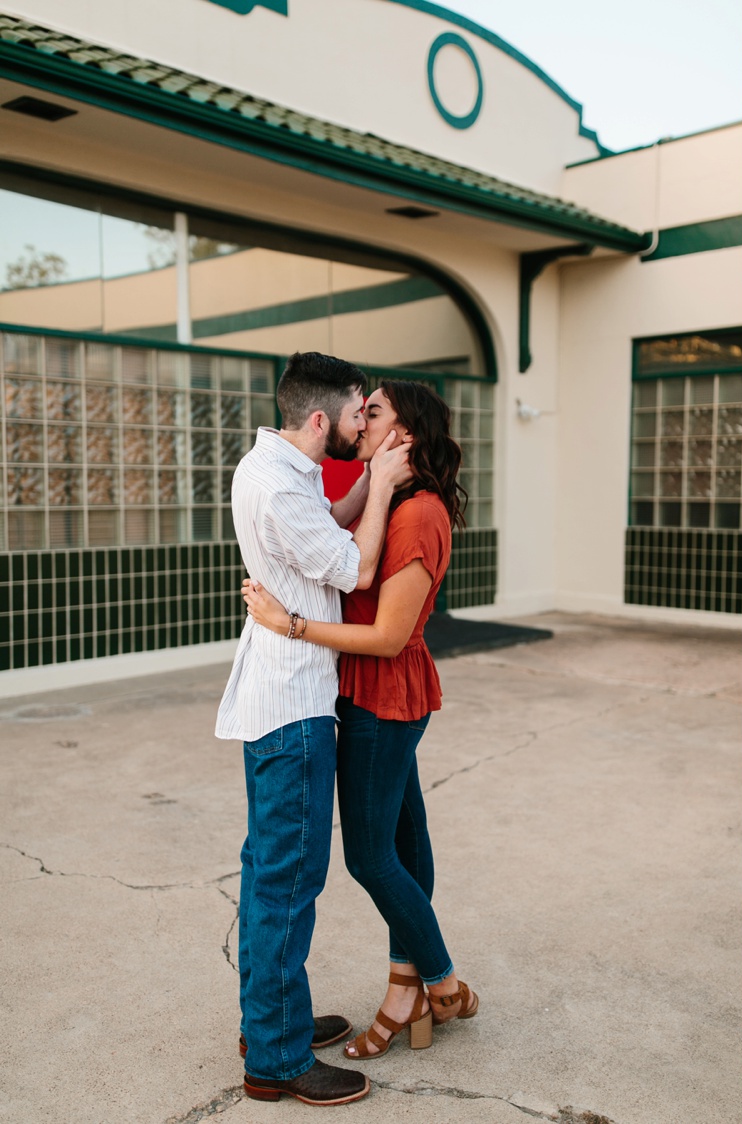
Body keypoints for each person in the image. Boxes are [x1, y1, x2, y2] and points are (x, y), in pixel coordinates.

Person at [243, 380, 479, 1062]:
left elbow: (385, 636)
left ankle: (441, 981)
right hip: (370, 696)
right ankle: (406, 988)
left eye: (375, 413)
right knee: (406, 838)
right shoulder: (395, 503)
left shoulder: (417, 515)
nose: (361, 421)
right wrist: (373, 486)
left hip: (383, 700)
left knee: (371, 856)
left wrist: (288, 623)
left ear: (405, 436)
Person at [215, 351, 411, 1107]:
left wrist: (366, 482)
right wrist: (389, 488)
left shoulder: (273, 469)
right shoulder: (277, 488)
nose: (366, 423)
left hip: (279, 698)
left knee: (272, 871)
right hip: (294, 708)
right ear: (322, 419)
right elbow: (357, 570)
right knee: (288, 883)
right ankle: (276, 1057)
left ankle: (275, 1020)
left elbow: (324, 527)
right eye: (360, 412)